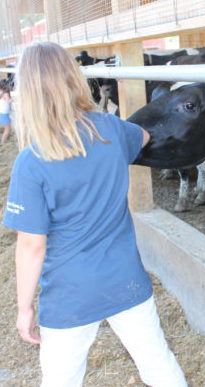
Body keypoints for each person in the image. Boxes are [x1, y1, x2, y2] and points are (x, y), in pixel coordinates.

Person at [3, 42, 187, 387]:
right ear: (74, 79)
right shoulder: (112, 130)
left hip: (69, 295)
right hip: (126, 281)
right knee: (158, 365)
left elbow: (31, 246)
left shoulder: (32, 161)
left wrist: (24, 308)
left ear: (27, 90)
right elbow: (144, 135)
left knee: (61, 379)